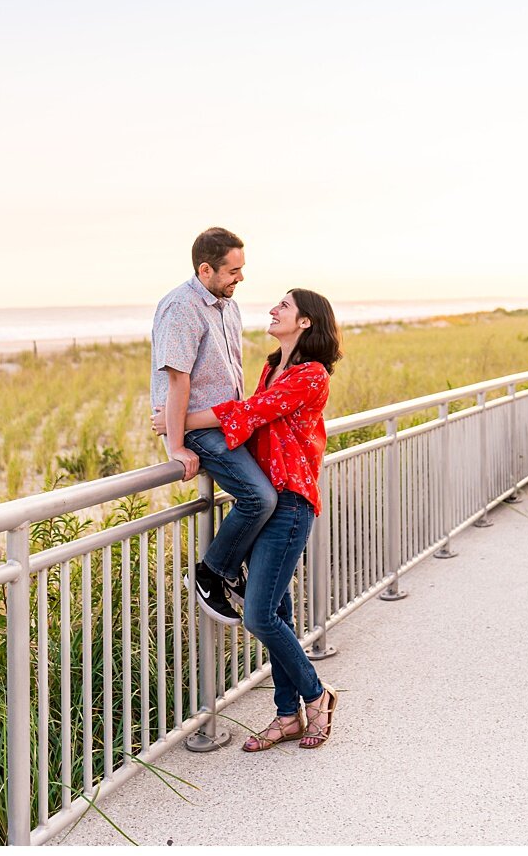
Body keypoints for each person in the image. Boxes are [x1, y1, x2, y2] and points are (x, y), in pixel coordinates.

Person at [156, 288, 342, 751]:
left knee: (259, 614)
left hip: (291, 503)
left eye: (285, 305)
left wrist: (177, 423)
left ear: (304, 323)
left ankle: (318, 696)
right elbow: (251, 421)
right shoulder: (271, 367)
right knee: (275, 609)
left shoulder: (310, 375)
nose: (274, 308)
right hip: (269, 500)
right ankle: (286, 716)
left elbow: (251, 413)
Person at [150, 227, 275, 625]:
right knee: (260, 498)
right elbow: (177, 380)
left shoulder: (228, 306)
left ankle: (229, 566)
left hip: (227, 425)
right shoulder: (180, 308)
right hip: (199, 429)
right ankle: (211, 572)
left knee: (270, 494)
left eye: (241, 269)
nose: (240, 278)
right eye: (233, 271)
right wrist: (176, 444)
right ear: (206, 269)